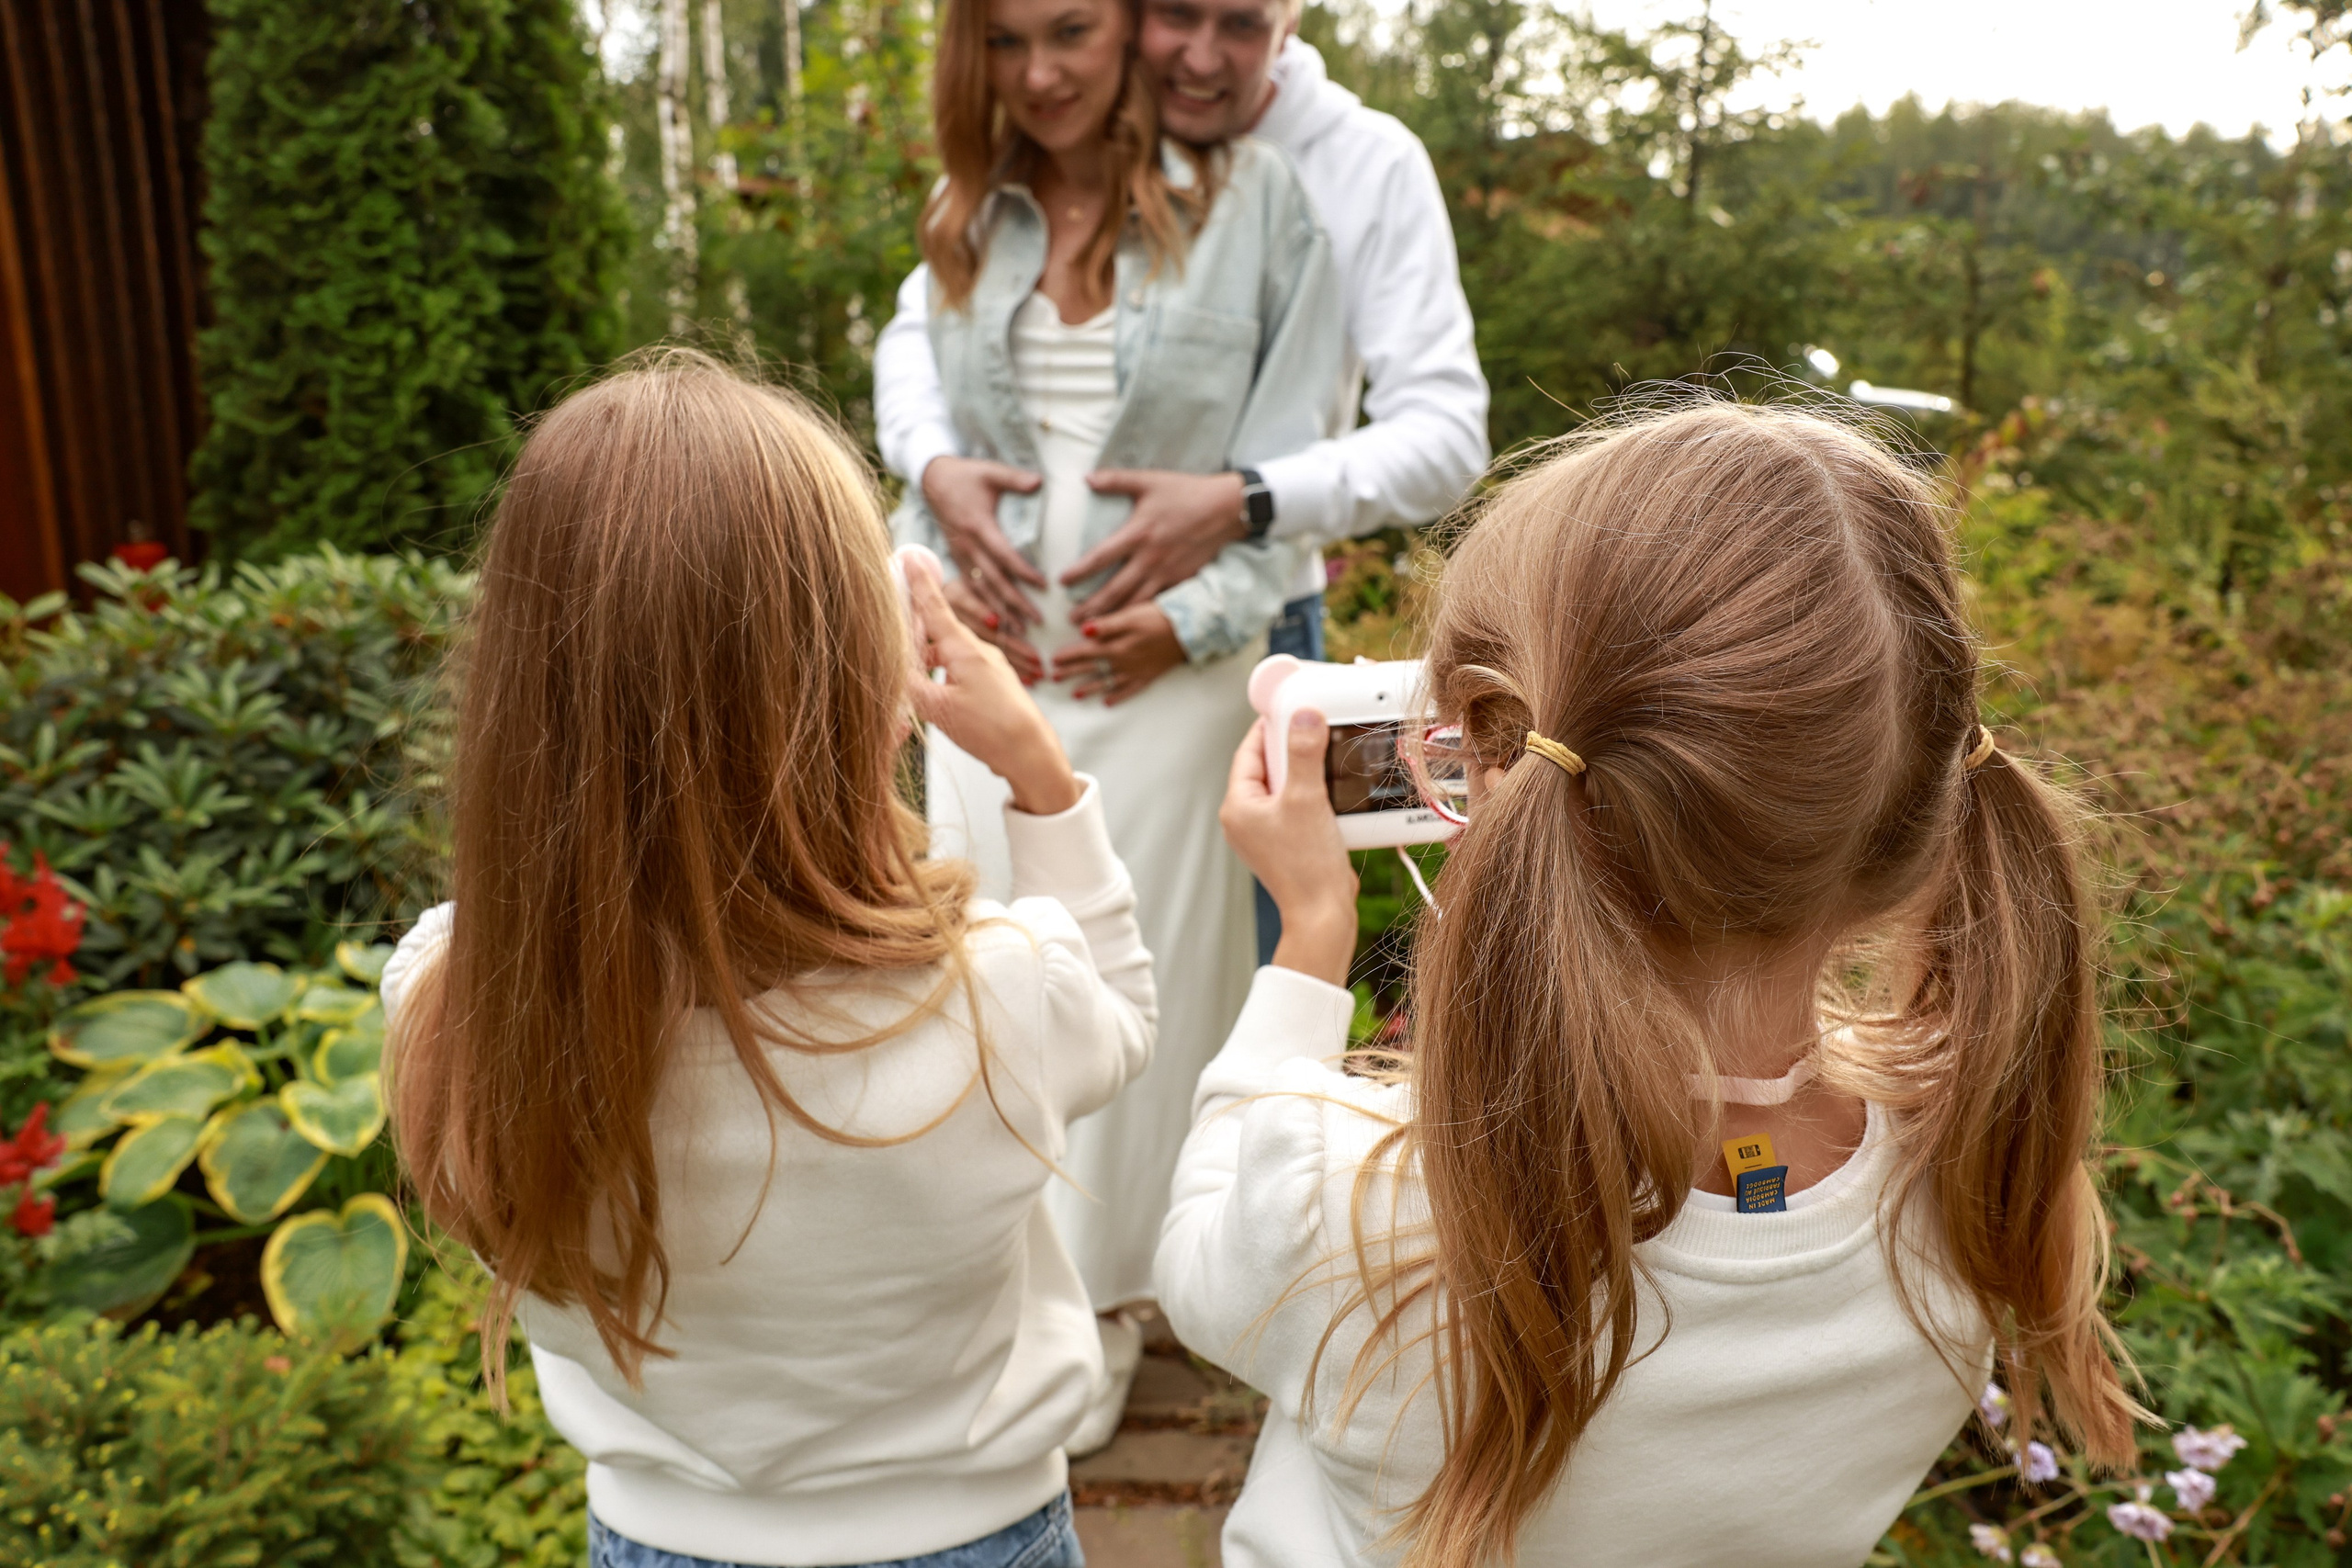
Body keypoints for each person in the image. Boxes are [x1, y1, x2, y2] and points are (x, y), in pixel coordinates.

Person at [1158, 402, 2143, 1566]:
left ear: (1490, 759)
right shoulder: (1972, 1195)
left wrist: (1310, 939)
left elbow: (1194, 1253)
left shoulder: (1352, 1204)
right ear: (1917, 809)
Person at [379, 352, 1156, 1568]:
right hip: (980, 1534)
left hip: (652, 1538)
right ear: (868, 695)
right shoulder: (998, 991)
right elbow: (1118, 1017)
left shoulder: (455, 1005)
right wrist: (1039, 778)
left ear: (520, 704)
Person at [887, 0, 1346, 1447]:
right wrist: (942, 564)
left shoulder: (1264, 205)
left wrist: (1191, 620)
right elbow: (934, 465)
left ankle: (1119, 1298)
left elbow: (1293, 475)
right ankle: (1002, 1280)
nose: (1044, 72)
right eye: (1009, 42)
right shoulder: (968, 213)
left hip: (1166, 676)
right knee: (988, 966)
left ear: (1132, 34)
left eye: (1073, 31)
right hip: (991, 672)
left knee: (1135, 980)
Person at [879, 0, 1488, 962]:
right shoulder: (1077, 135)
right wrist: (936, 470)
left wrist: (1239, 502)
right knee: (1001, 948)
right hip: (1015, 648)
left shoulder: (1358, 167)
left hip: (1242, 629)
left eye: (1241, 25)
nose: (1199, 58)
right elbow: (926, 330)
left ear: (1289, 20)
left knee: (1208, 958)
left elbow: (1446, 437)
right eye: (1174, 16)